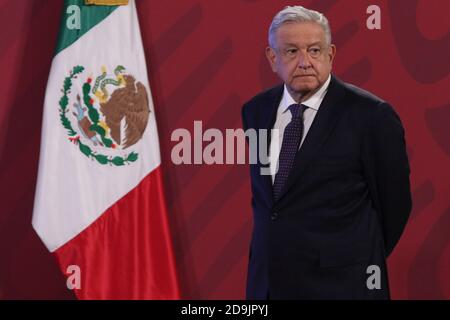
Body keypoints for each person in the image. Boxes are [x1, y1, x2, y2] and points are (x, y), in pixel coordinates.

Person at [241, 5, 412, 299]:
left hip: (342, 287)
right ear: (273, 58)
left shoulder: (371, 116)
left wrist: (350, 259)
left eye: (315, 50)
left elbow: (395, 206)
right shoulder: (255, 112)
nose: (305, 61)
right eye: (292, 51)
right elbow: (269, 203)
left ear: (331, 55)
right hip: (267, 284)